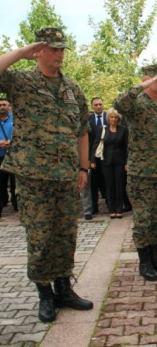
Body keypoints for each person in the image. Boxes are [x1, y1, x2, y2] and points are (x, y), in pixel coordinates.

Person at [0, 27, 94, 322]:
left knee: (66, 235)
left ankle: (64, 288)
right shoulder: (21, 81)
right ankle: (45, 294)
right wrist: (20, 53)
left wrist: (83, 167)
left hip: (66, 174)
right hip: (33, 175)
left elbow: (82, 130)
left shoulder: (72, 88)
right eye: (53, 48)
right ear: (39, 50)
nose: (60, 53)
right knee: (40, 238)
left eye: (62, 48)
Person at [114, 64, 157, 281]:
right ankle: (144, 262)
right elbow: (119, 103)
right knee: (143, 219)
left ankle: (155, 258)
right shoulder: (137, 104)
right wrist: (142, 85)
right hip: (142, 173)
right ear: (146, 80)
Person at [91, 108, 128, 219]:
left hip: (120, 161)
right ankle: (111, 209)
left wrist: (126, 162)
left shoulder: (123, 130)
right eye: (111, 117)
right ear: (108, 118)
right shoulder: (102, 129)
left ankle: (119, 209)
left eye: (115, 117)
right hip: (106, 161)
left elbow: (126, 147)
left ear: (118, 119)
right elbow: (96, 144)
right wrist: (92, 160)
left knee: (119, 184)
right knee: (109, 185)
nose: (113, 119)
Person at [88, 97, 107, 215]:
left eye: (100, 104)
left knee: (107, 182)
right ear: (92, 106)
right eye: (96, 105)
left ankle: (111, 205)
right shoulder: (88, 120)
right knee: (93, 184)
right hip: (93, 156)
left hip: (107, 156)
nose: (98, 106)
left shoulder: (110, 118)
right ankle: (94, 207)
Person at [0, 98, 15, 217]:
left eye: (4, 104)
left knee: (14, 181)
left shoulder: (15, 120)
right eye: (0, 105)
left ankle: (16, 205)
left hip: (13, 154)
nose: (2, 107)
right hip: (0, 155)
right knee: (1, 182)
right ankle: (2, 203)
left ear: (9, 106)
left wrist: (11, 142)